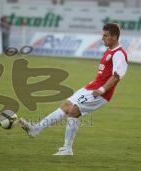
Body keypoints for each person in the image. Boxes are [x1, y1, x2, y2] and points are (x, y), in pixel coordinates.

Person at [19, 23, 128, 156]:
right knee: (66, 106)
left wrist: (102, 90)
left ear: (115, 37)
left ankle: (67, 148)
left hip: (100, 93)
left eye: (105, 35)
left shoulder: (119, 54)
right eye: (103, 35)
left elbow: (117, 76)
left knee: (74, 111)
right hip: (91, 87)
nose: (102, 38)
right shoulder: (109, 50)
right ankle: (35, 129)